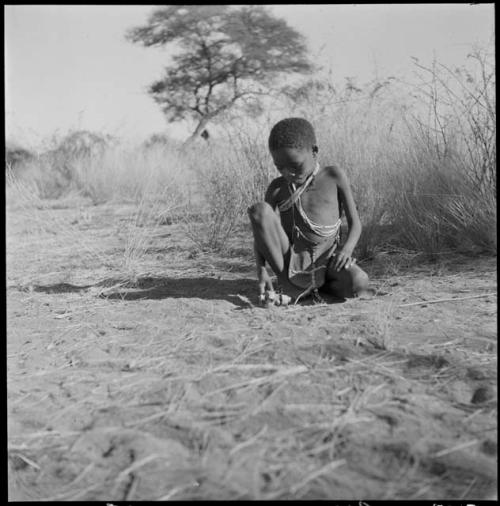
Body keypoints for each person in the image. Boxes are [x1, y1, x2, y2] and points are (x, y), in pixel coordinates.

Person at [248, 117, 371, 305]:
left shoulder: (333, 176)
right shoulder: (277, 188)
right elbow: (262, 235)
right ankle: (291, 286)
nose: (288, 173)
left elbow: (356, 224)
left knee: (359, 282)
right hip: (289, 264)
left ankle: (314, 286)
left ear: (314, 151)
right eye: (280, 167)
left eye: (295, 166)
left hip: (327, 259)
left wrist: (346, 251)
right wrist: (261, 271)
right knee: (259, 211)